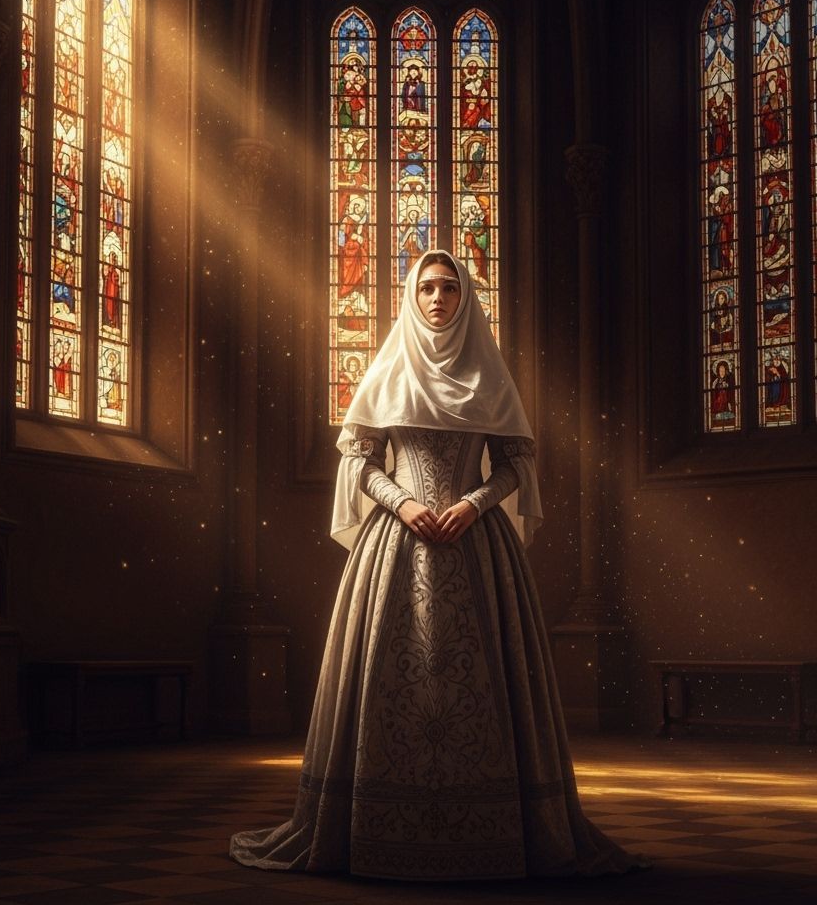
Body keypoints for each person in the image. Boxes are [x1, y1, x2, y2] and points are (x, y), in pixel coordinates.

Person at [231, 249, 642, 881]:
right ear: (410, 295)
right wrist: (402, 503)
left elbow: (514, 464)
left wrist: (475, 505)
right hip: (396, 546)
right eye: (426, 287)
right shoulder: (389, 369)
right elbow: (359, 461)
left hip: (476, 544)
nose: (437, 298)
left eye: (450, 287)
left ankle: (498, 831)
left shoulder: (490, 376)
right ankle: (372, 828)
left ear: (466, 297)